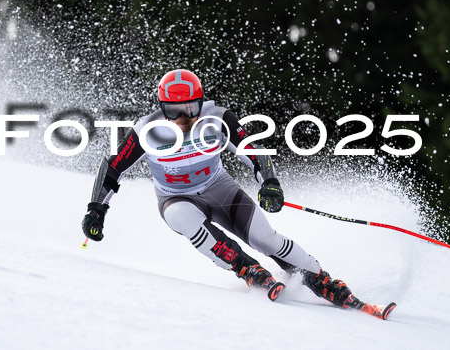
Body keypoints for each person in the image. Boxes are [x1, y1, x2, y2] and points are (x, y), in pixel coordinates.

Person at [82, 69, 364, 307]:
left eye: (190, 109)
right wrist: (97, 208)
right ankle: (246, 268)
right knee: (183, 217)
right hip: (175, 198)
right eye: (174, 111)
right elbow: (113, 166)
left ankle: (321, 279)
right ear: (162, 107)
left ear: (200, 102)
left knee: (265, 238)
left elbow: (252, 151)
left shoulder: (216, 118)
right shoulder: (148, 130)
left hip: (220, 189)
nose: (183, 119)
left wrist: (269, 183)